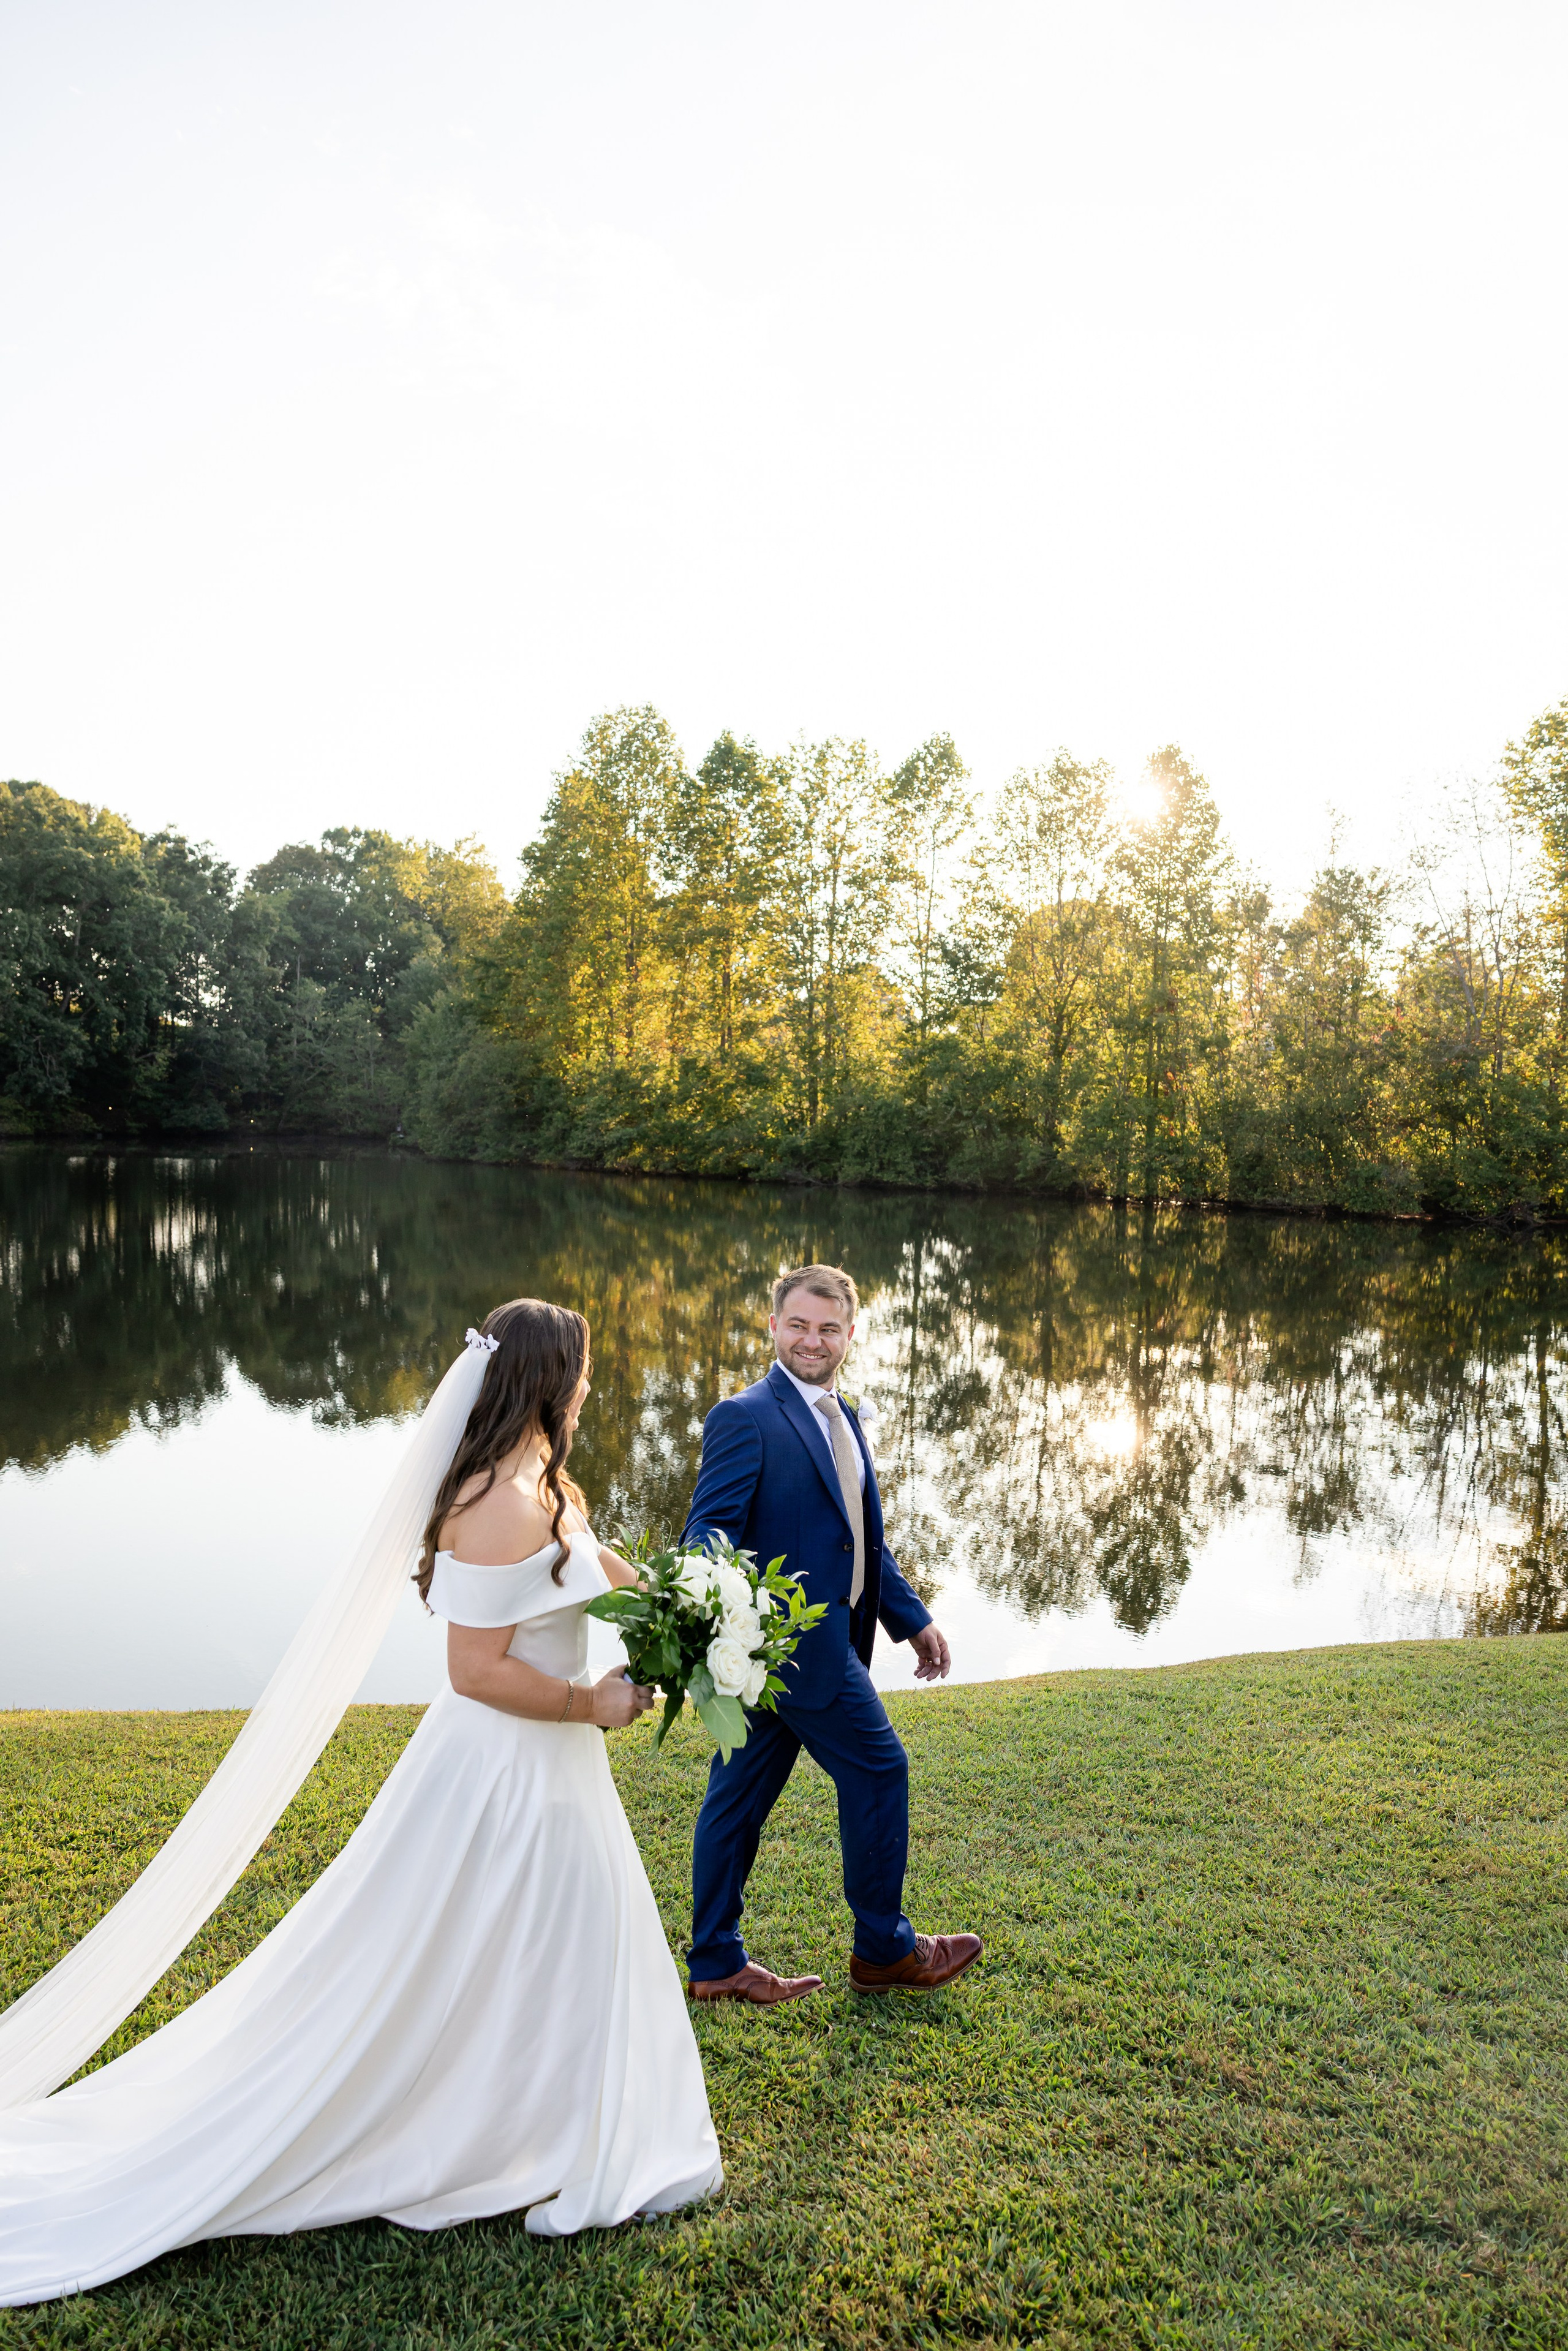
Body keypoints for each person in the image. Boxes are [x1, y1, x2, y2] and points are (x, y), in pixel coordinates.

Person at [0, 1299, 721, 2309]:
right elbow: (474, 1669)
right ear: (549, 1380)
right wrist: (591, 1701)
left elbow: (588, 1562)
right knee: (479, 1941)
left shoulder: (542, 1478)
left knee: (559, 1939)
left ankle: (540, 2113)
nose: (593, 1387)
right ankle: (510, 2126)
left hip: (553, 1771)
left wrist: (681, 1607)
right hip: (509, 1765)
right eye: (586, 1371)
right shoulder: (489, 1499)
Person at [681, 1264, 982, 2004]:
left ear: (850, 1334)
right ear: (772, 1326)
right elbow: (704, 1543)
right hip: (791, 1655)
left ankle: (715, 1959)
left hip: (800, 1653)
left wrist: (909, 1618)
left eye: (827, 1328)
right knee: (880, 1770)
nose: (811, 1340)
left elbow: (857, 1539)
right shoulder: (744, 1415)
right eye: (797, 1325)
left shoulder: (840, 1413)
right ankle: (884, 1950)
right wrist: (742, 1635)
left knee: (737, 1801)